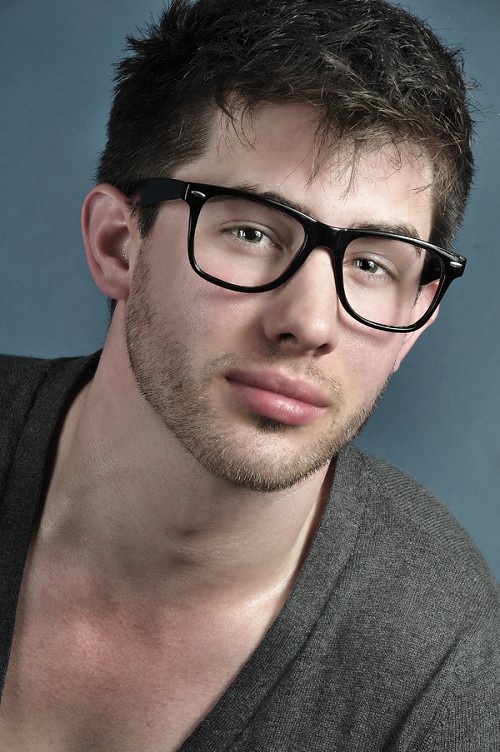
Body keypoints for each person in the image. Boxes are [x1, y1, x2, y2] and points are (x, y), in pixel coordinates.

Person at [0, 0, 498, 748]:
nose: (309, 322)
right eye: (252, 231)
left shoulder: (442, 672)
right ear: (117, 246)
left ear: (418, 321)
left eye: (371, 264)